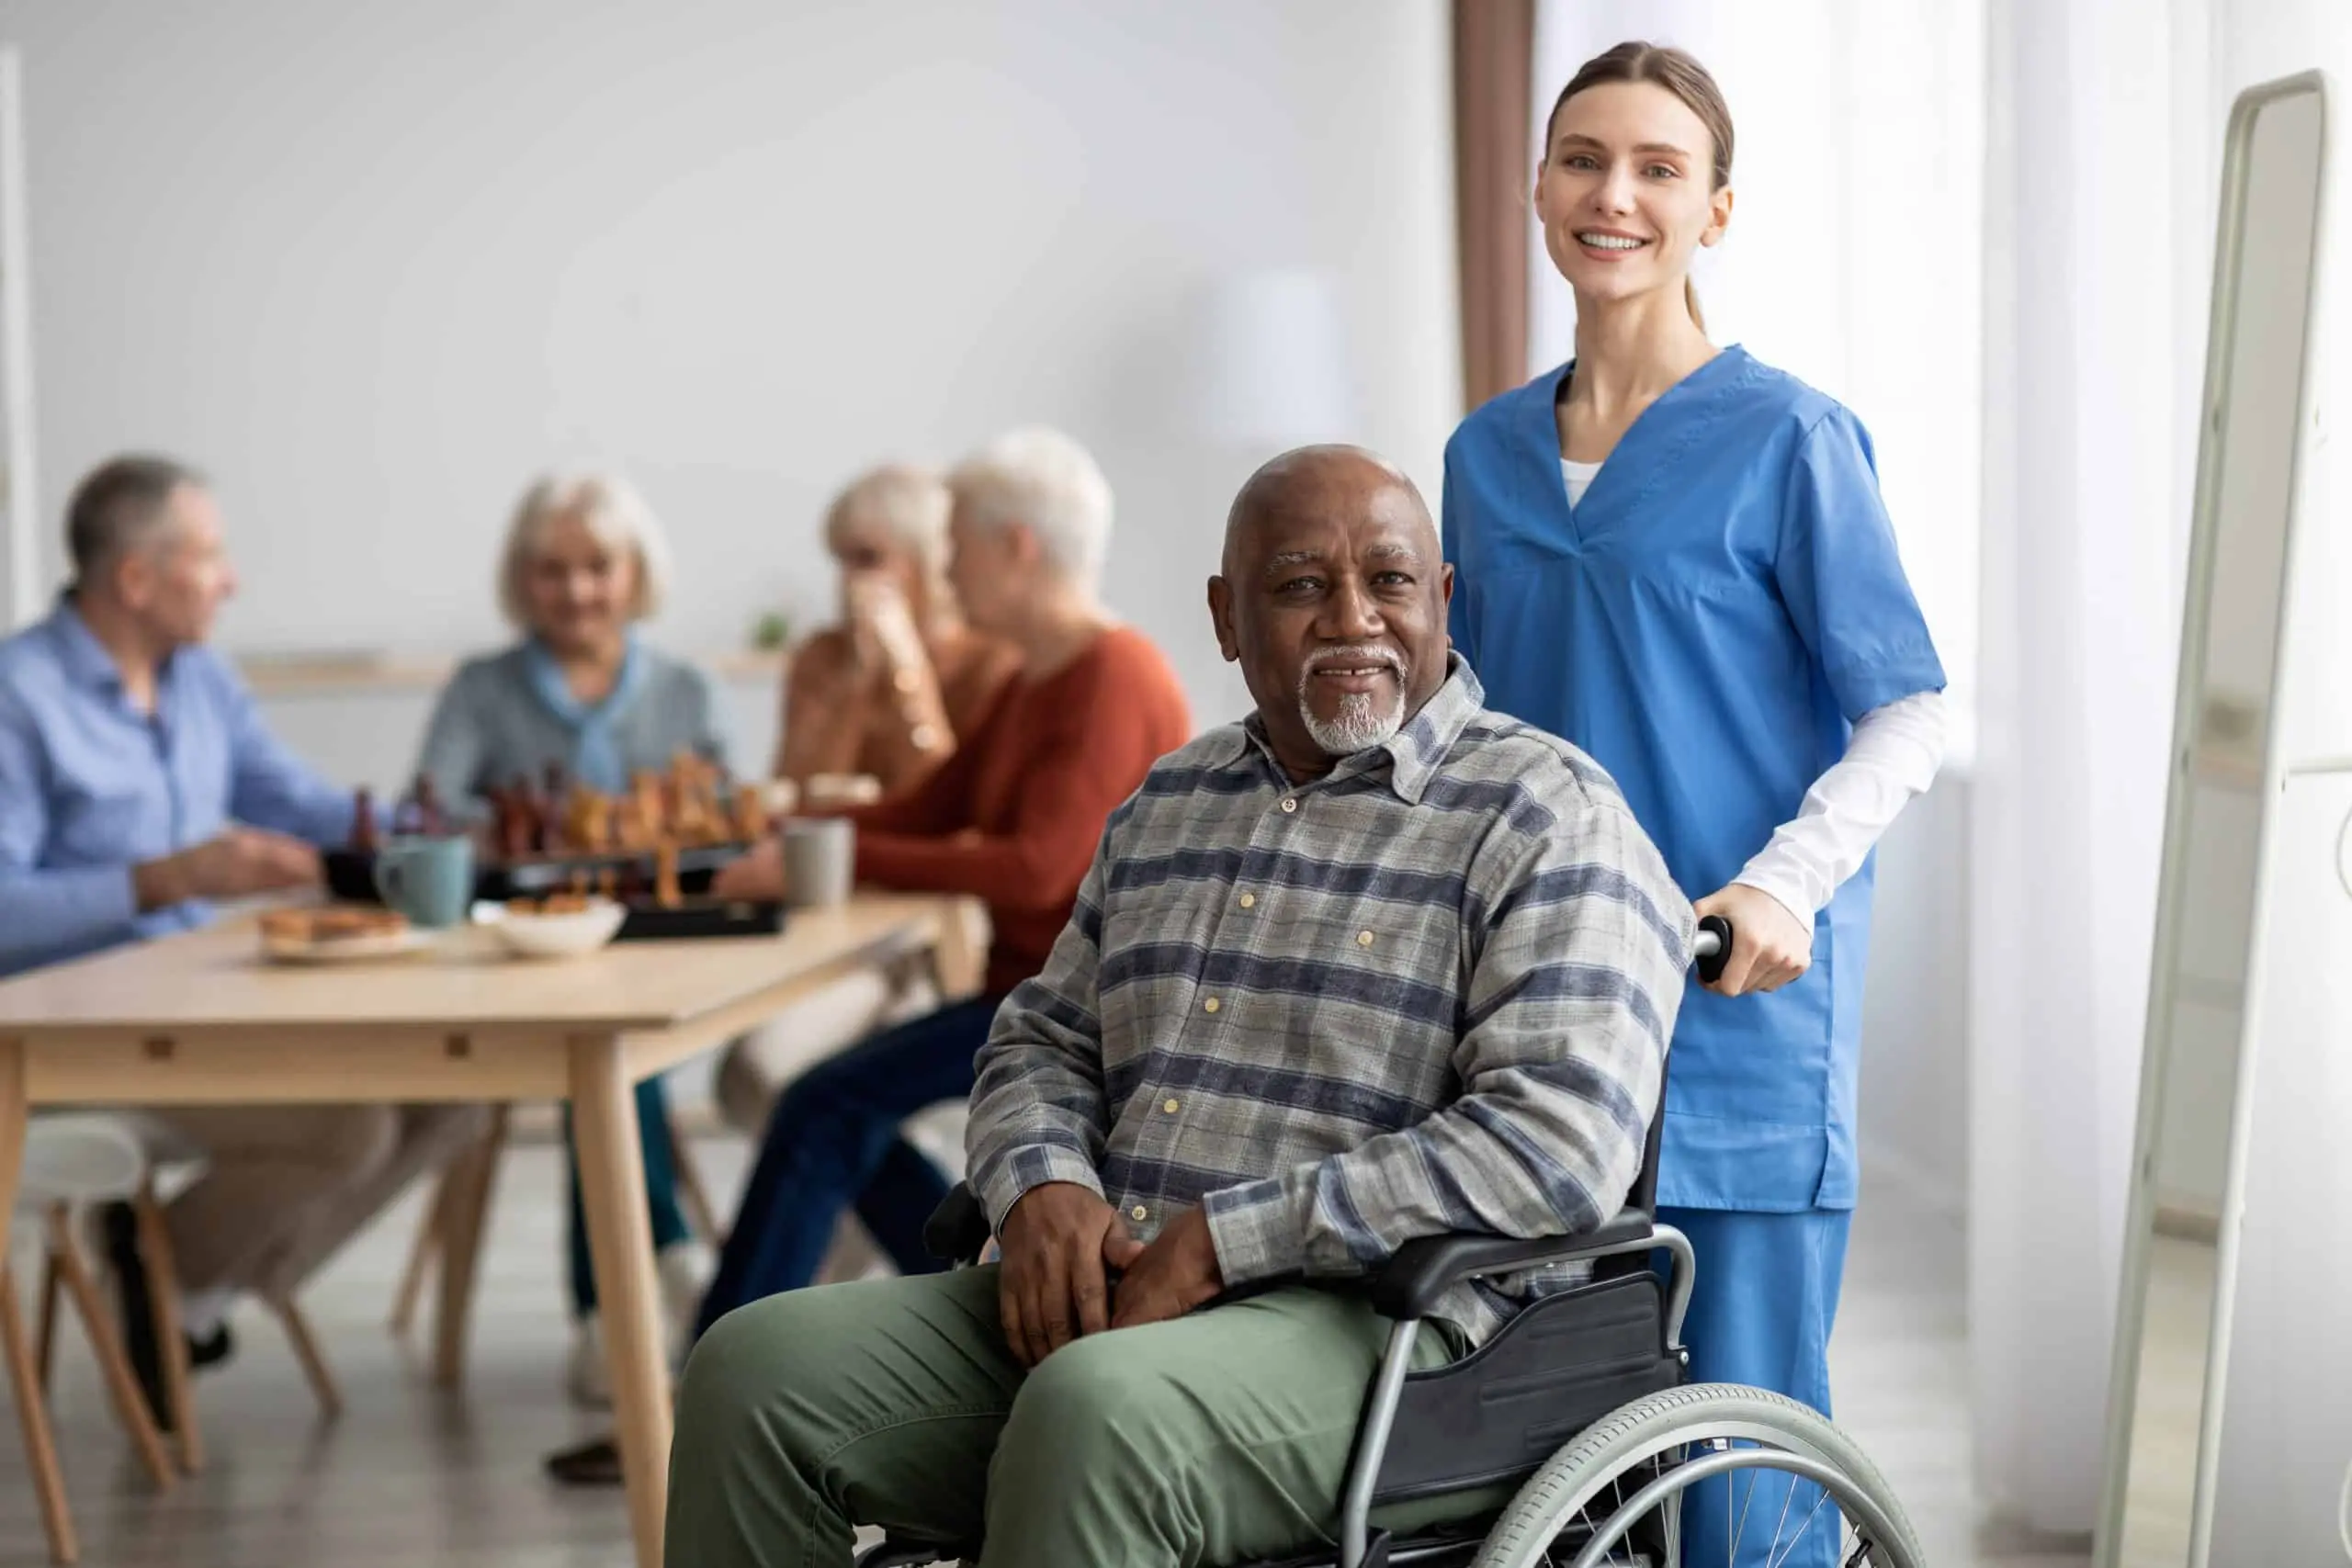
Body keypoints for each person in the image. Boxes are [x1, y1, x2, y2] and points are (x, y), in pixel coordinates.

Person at [662, 446, 1696, 1567]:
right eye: (1300, 585)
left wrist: (1228, 1243)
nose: (1352, 617)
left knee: (1095, 1411)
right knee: (750, 1370)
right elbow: (1040, 1039)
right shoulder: (1170, 804)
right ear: (1225, 615)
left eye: (1389, 581)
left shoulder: (1548, 814)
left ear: (1441, 599)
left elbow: (1557, 1145)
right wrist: (1040, 1182)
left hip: (1392, 1331)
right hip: (1112, 1292)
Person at [1440, 42, 1949, 1567]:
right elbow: (1460, 713)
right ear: (1540, 188)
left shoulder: (1792, 438)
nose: (1616, 195)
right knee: (1540, 1460)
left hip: (1732, 1008)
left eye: (1659, 168)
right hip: (1533, 1018)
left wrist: (1785, 880)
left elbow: (1906, 705)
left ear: (1715, 210)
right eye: (1584, 158)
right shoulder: (1481, 455)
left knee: (1736, 1478)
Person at [541, 427, 1190, 1489]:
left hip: (1083, 1017)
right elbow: (928, 810)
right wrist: (791, 843)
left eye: (956, 553)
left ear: (1015, 548)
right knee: (833, 1111)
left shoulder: (1111, 675)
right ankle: (959, 1305)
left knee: (822, 1108)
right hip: (1027, 998)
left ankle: (702, 1398)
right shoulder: (1039, 679)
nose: (943, 575)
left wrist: (820, 857)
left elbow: (1035, 869)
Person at [0, 455, 486, 1416]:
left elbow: (302, 804)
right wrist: (168, 878)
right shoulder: (20, 696)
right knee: (352, 1123)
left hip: (202, 1013)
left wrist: (450, 836)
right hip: (64, 1049)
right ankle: (167, 1275)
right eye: (210, 556)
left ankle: (182, 1290)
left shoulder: (201, 683)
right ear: (137, 579)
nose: (232, 580)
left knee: (458, 1096)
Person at [413, 470, 728, 1407]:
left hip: (657, 948)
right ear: (523, 578)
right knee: (613, 1047)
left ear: (635, 573)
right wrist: (539, 834)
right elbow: (428, 811)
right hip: (518, 957)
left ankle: (606, 1317)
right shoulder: (481, 690)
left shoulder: (685, 689)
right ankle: (659, 1262)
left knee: (618, 1043)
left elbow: (716, 823)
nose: (578, 590)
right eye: (552, 570)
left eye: (599, 567)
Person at [712, 462, 1020, 1137]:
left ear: (926, 561)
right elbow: (794, 794)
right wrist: (855, 684)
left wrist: (906, 675)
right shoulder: (821, 658)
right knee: (747, 1075)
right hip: (821, 927)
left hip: (925, 938)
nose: (849, 580)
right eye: (841, 560)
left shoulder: (991, 664)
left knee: (795, 1080)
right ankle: (844, 1228)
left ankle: (841, 1230)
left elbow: (950, 809)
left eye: (870, 559)